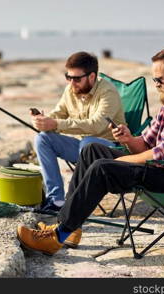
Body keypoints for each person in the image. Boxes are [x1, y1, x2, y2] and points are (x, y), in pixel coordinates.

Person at [17, 47, 164, 256]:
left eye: (158, 80)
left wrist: (127, 160)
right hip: (157, 167)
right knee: (92, 150)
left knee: (102, 169)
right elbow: (146, 143)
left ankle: (57, 236)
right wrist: (128, 139)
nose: (156, 85)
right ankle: (70, 226)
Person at [31, 51, 125, 212]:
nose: (72, 83)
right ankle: (56, 200)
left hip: (110, 150)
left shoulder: (107, 92)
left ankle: (76, 202)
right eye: (68, 77)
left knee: (88, 143)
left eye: (76, 79)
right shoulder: (70, 90)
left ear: (92, 76)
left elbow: (96, 126)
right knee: (42, 139)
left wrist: (55, 123)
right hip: (83, 149)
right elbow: (58, 114)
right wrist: (43, 121)